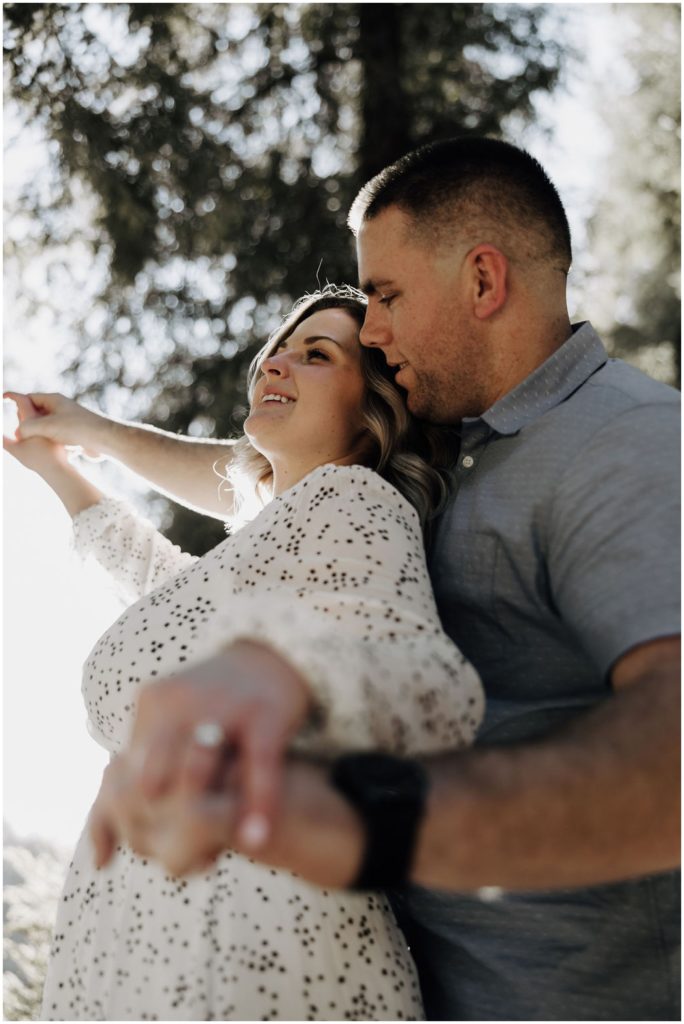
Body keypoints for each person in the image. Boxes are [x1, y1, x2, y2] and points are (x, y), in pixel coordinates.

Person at [68, 137, 679, 1022]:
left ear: (482, 281)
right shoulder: (460, 446)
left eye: (386, 295)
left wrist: (366, 820)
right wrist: (96, 438)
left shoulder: (629, 444)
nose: (377, 329)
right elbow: (256, 486)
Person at [4, 285, 485, 1021]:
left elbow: (410, 667)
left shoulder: (355, 499)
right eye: (277, 351)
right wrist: (58, 467)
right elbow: (158, 585)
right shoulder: (262, 549)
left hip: (252, 955)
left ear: (373, 407)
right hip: (125, 952)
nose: (276, 364)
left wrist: (287, 677)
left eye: (316, 354)